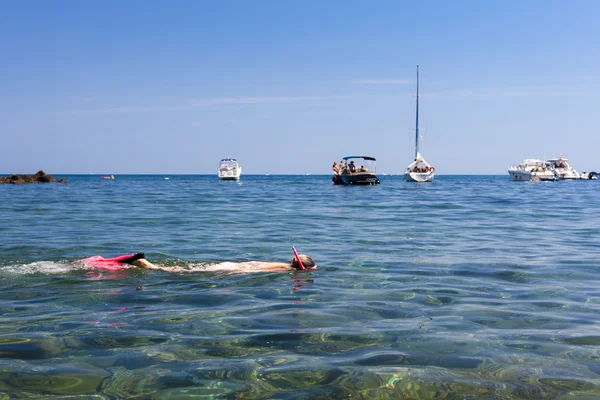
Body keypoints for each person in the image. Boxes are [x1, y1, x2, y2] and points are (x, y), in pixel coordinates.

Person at [85, 252, 317, 274]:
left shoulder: (279, 263)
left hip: (230, 264)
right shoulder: (283, 271)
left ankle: (150, 266)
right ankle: (147, 266)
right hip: (231, 271)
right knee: (183, 273)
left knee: (186, 269)